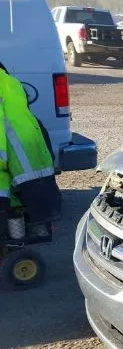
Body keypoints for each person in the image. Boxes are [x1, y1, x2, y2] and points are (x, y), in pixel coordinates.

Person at [0, 64, 61, 240]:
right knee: (19, 201)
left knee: (16, 202)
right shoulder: (9, 82)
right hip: (27, 158)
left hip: (19, 162)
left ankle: (19, 241)